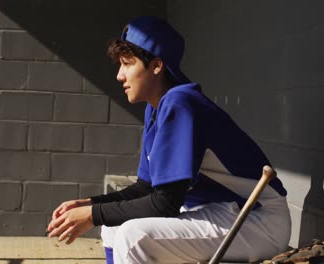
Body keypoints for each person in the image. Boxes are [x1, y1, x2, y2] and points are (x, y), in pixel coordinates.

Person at [47, 16, 291, 264]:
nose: (120, 75)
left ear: (156, 66)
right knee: (113, 226)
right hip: (220, 212)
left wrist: (92, 214)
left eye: (127, 64)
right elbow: (145, 188)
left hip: (257, 219)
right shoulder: (156, 108)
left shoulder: (181, 103)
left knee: (133, 237)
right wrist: (91, 204)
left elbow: (165, 204)